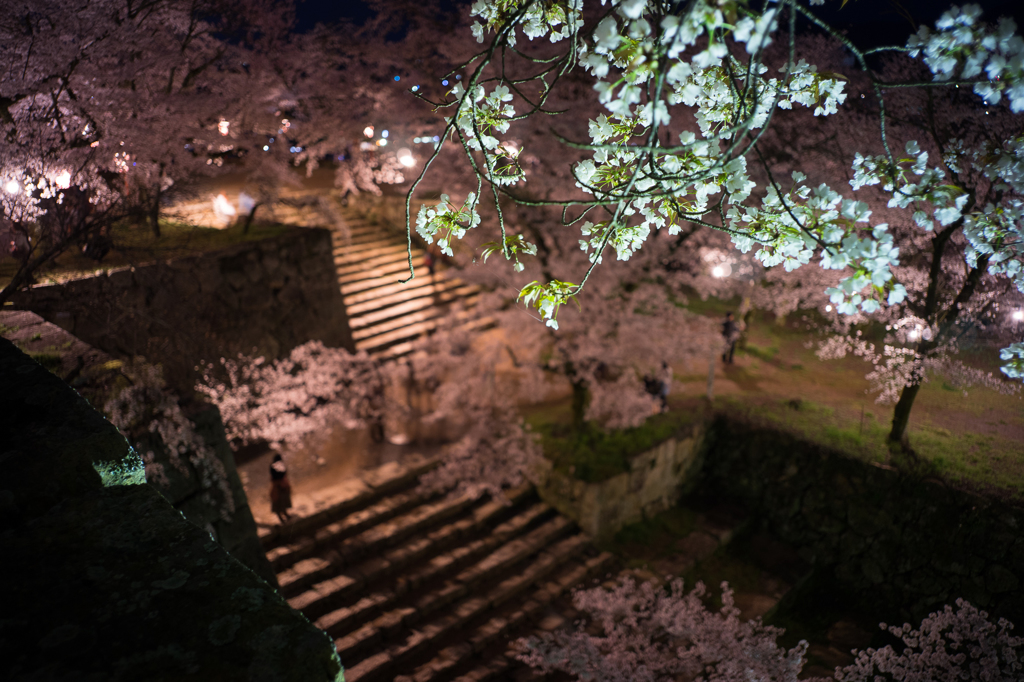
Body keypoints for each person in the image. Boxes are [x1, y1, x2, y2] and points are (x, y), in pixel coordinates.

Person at [269, 454, 292, 524]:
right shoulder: (275, 467)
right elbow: (282, 474)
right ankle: (283, 517)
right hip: (278, 487)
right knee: (278, 503)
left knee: (281, 503)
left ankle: (285, 516)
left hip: (279, 486)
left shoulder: (273, 466)